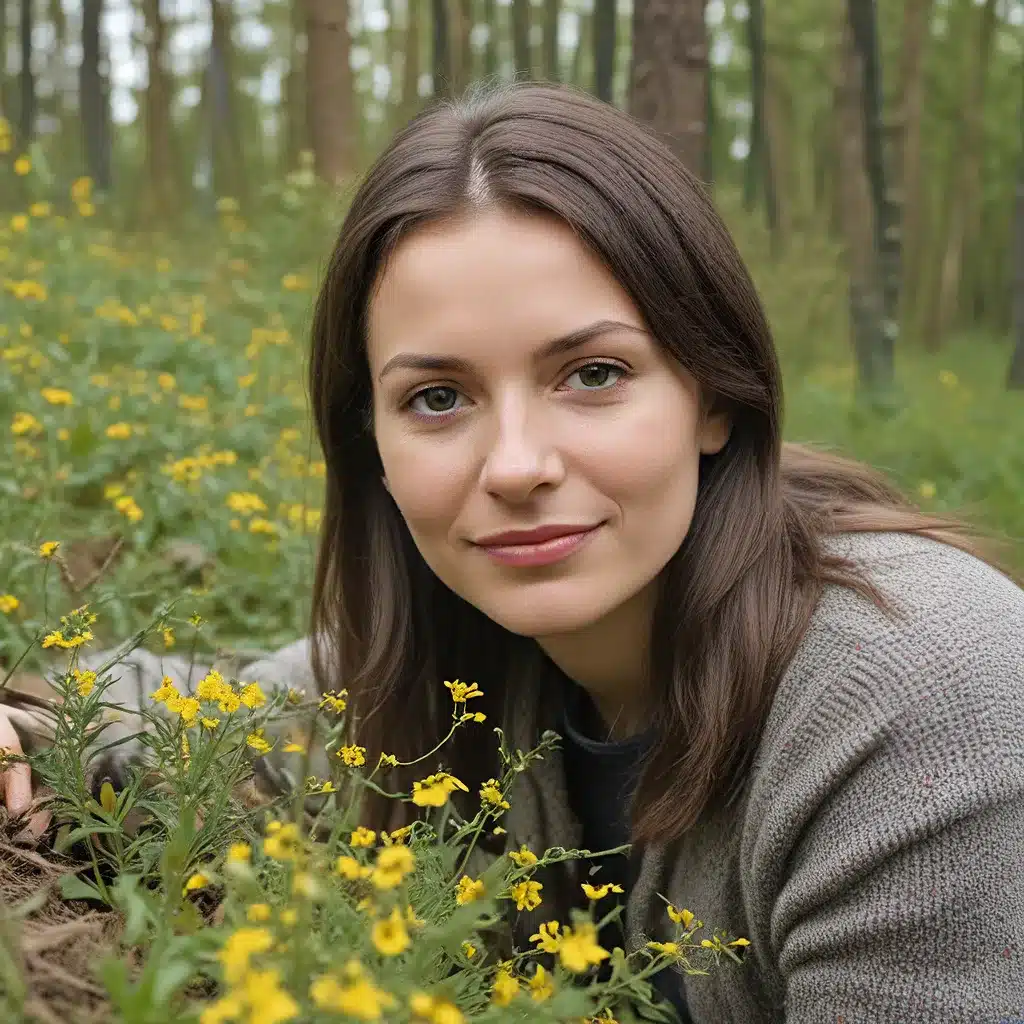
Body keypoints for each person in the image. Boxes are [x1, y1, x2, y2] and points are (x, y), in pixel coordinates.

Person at [2, 82, 1023, 1023]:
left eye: (591, 372)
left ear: (711, 393)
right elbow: (240, 719)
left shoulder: (927, 699)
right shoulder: (469, 653)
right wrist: (31, 719)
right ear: (376, 448)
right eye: (437, 397)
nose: (516, 465)